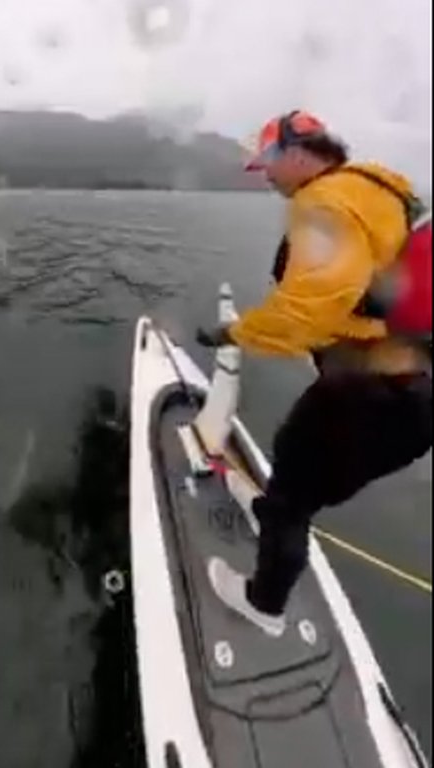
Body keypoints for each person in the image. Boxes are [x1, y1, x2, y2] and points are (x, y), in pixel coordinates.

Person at [197, 110, 432, 637]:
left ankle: (264, 604)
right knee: (298, 467)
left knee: (294, 487)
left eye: (270, 162)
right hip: (412, 389)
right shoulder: (376, 190)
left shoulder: (322, 202)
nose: (266, 176)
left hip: (379, 389)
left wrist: (234, 334)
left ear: (300, 154)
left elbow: (308, 311)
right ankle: (275, 513)